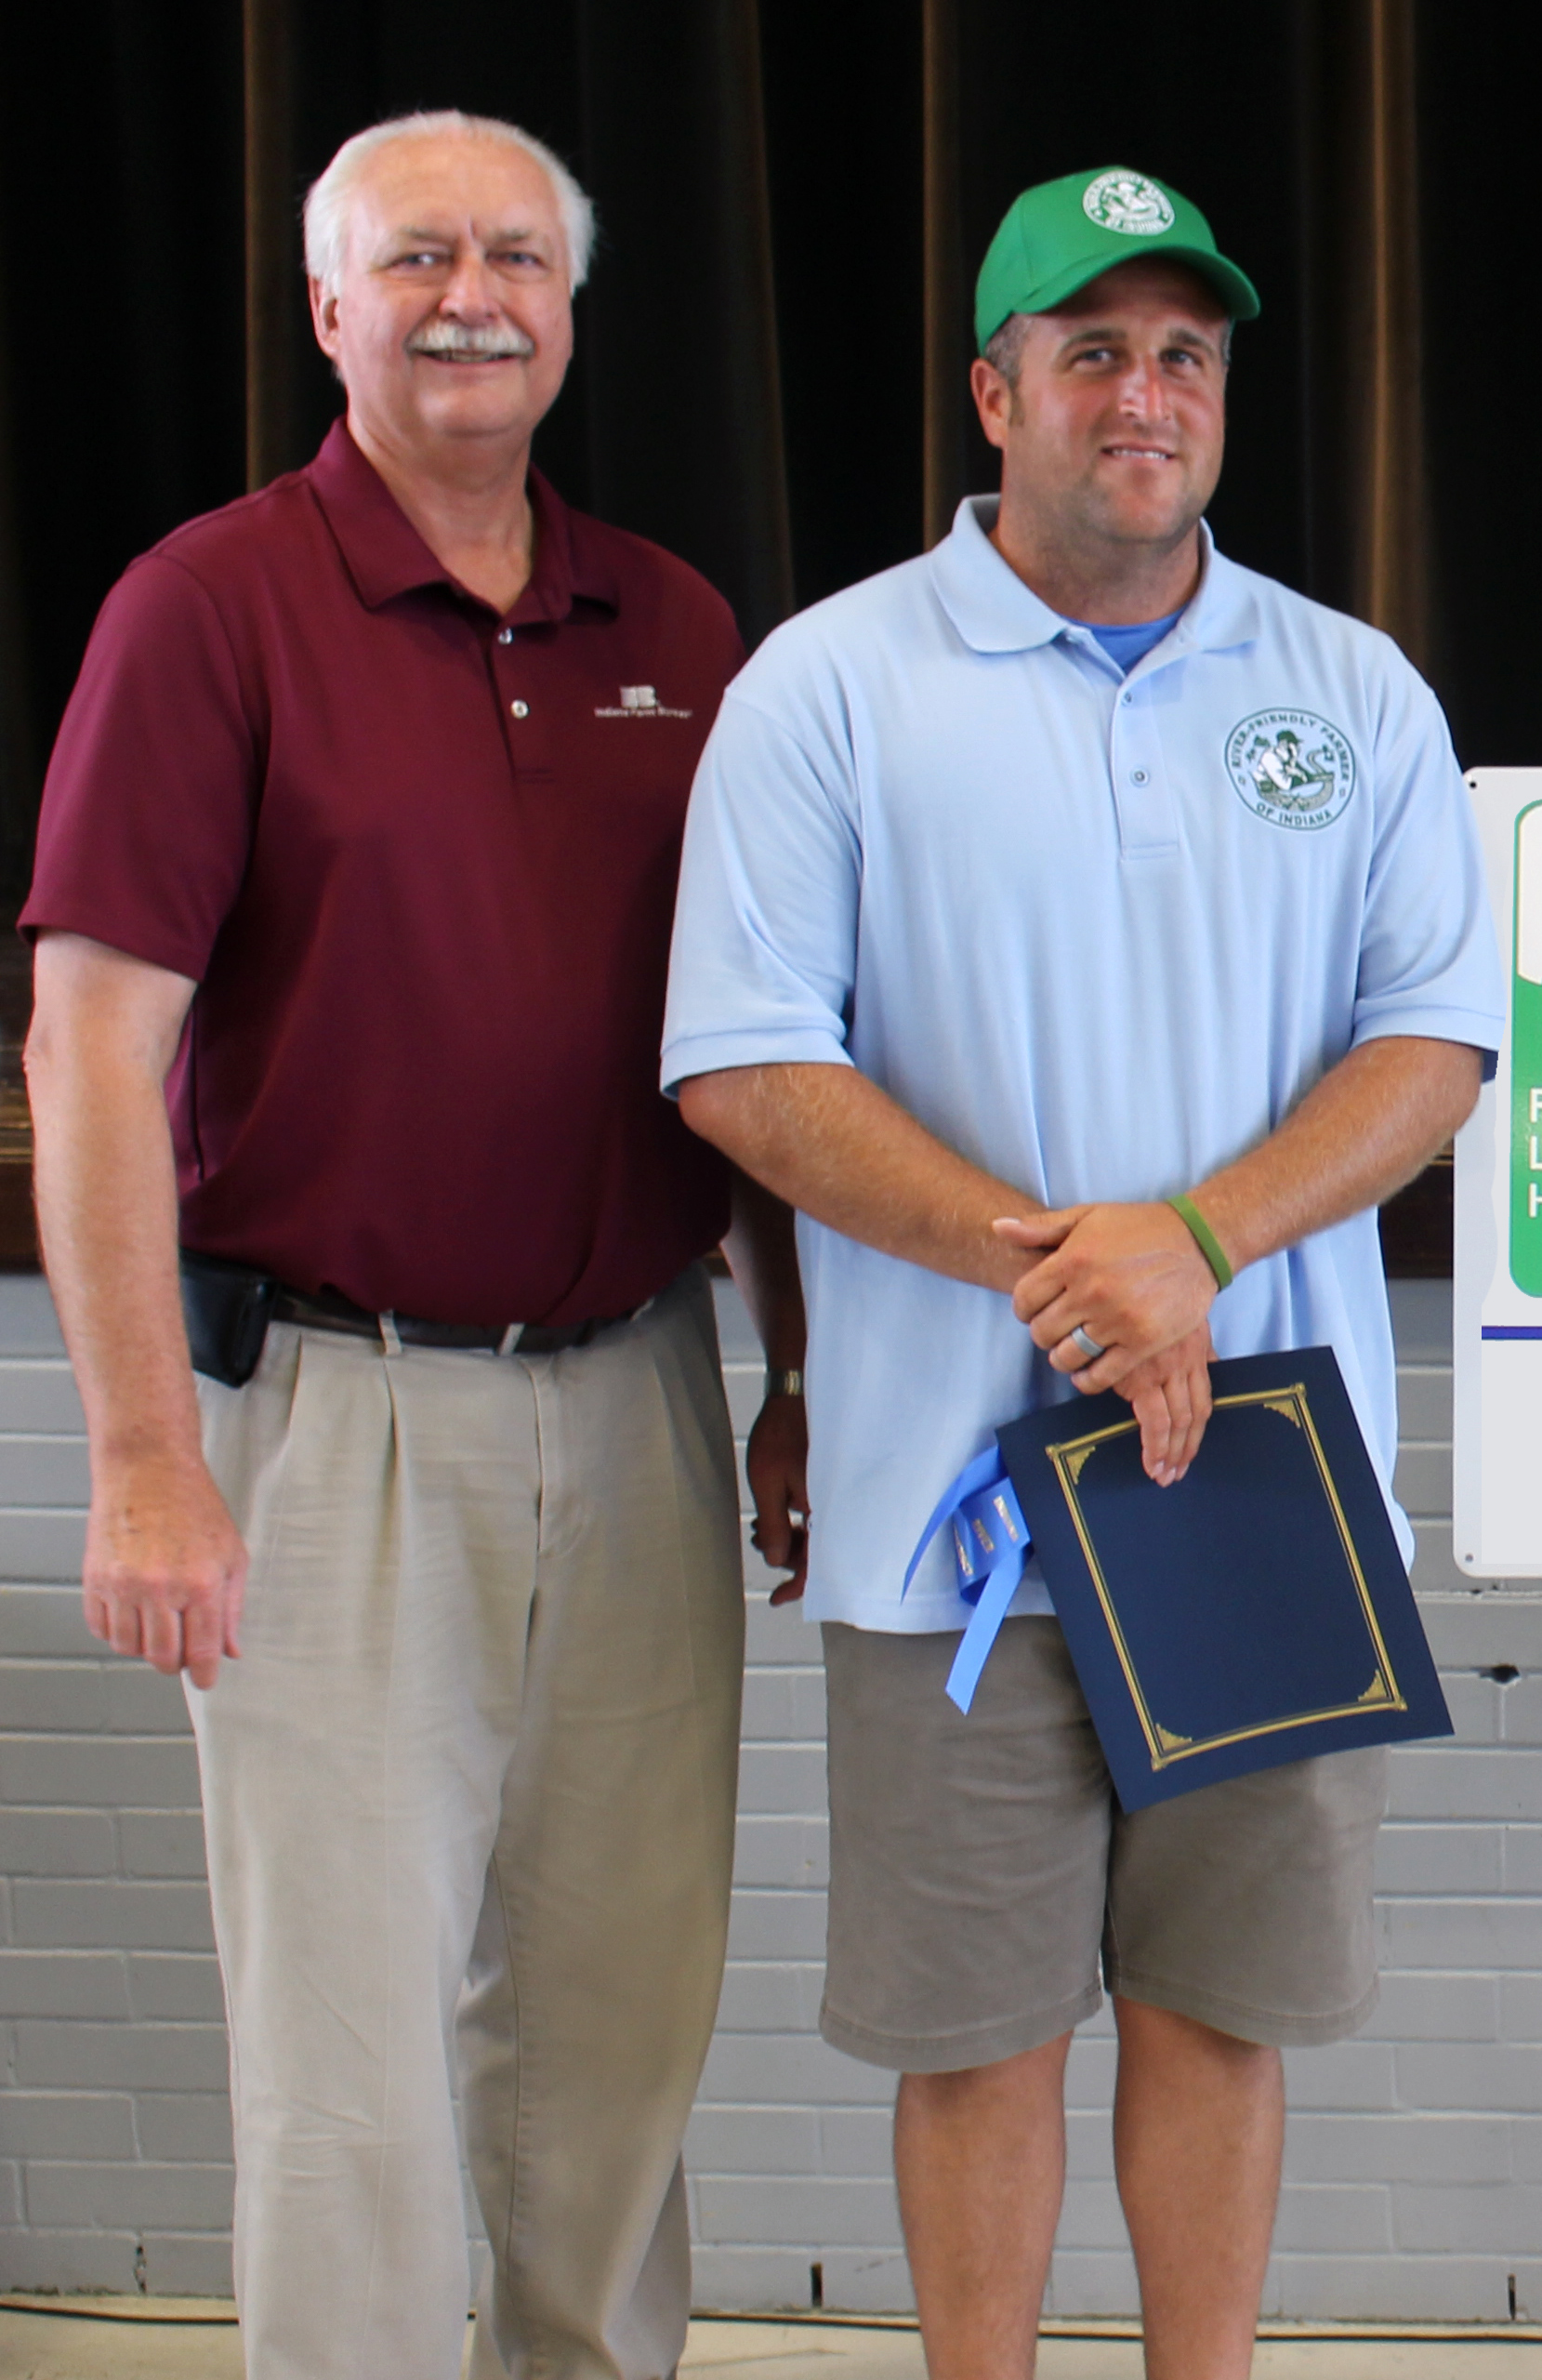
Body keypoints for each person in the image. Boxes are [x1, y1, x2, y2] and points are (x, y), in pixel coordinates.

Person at [660, 165, 1499, 2378]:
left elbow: (1437, 1041)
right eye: (1095, 351)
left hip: (1259, 1479)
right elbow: (745, 1066)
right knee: (981, 2036)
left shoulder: (1353, 687)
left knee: (1220, 2015)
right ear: (994, 390)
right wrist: (1074, 1270)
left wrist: (1196, 1242)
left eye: (1185, 355)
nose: (1147, 394)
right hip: (951, 1492)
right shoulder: (829, 686)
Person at [19, 111, 806, 2379]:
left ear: (571, 308)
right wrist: (146, 1453)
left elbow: (750, 1046)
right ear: (326, 307)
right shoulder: (207, 607)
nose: (473, 294)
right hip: (333, 1419)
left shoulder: (674, 624)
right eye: (417, 256)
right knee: (349, 2069)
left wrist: (795, 1367)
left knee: (615, 2038)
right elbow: (88, 1053)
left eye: (518, 258)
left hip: (642, 1396)